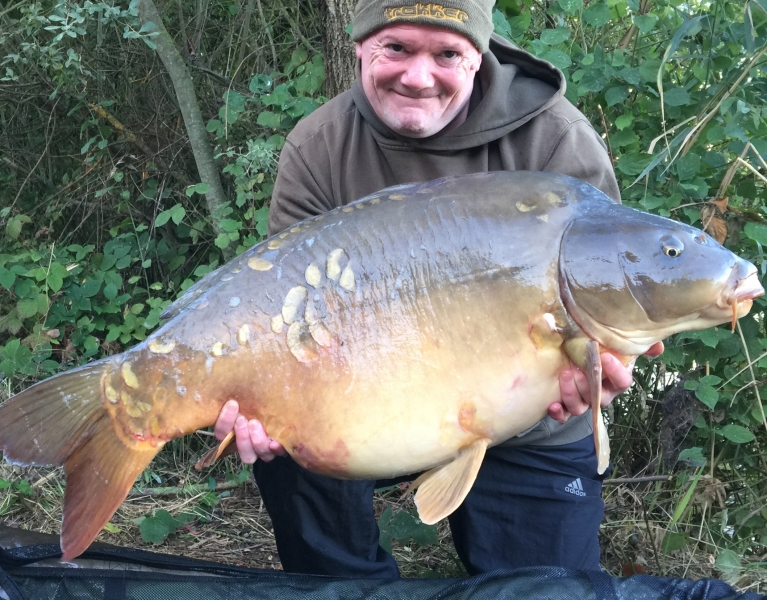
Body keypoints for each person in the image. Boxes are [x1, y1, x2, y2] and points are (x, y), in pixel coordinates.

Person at [214, 0, 663, 578]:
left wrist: (598, 369)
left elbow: (608, 291)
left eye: (447, 53)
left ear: (478, 56)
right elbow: (289, 309)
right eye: (396, 48)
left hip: (532, 423)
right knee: (289, 450)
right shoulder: (319, 147)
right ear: (359, 46)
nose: (418, 76)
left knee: (546, 590)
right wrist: (260, 395)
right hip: (374, 397)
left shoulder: (556, 144)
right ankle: (348, 585)